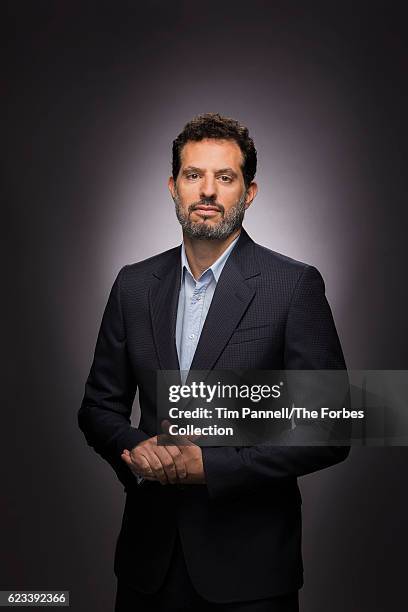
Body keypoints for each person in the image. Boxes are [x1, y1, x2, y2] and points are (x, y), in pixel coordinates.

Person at [78, 112, 350, 611]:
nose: (207, 191)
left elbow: (331, 427)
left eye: (224, 177)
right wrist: (134, 449)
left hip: (250, 574)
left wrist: (214, 467)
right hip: (146, 568)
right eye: (193, 175)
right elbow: (97, 406)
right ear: (172, 186)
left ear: (249, 193)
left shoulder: (293, 286)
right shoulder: (134, 286)